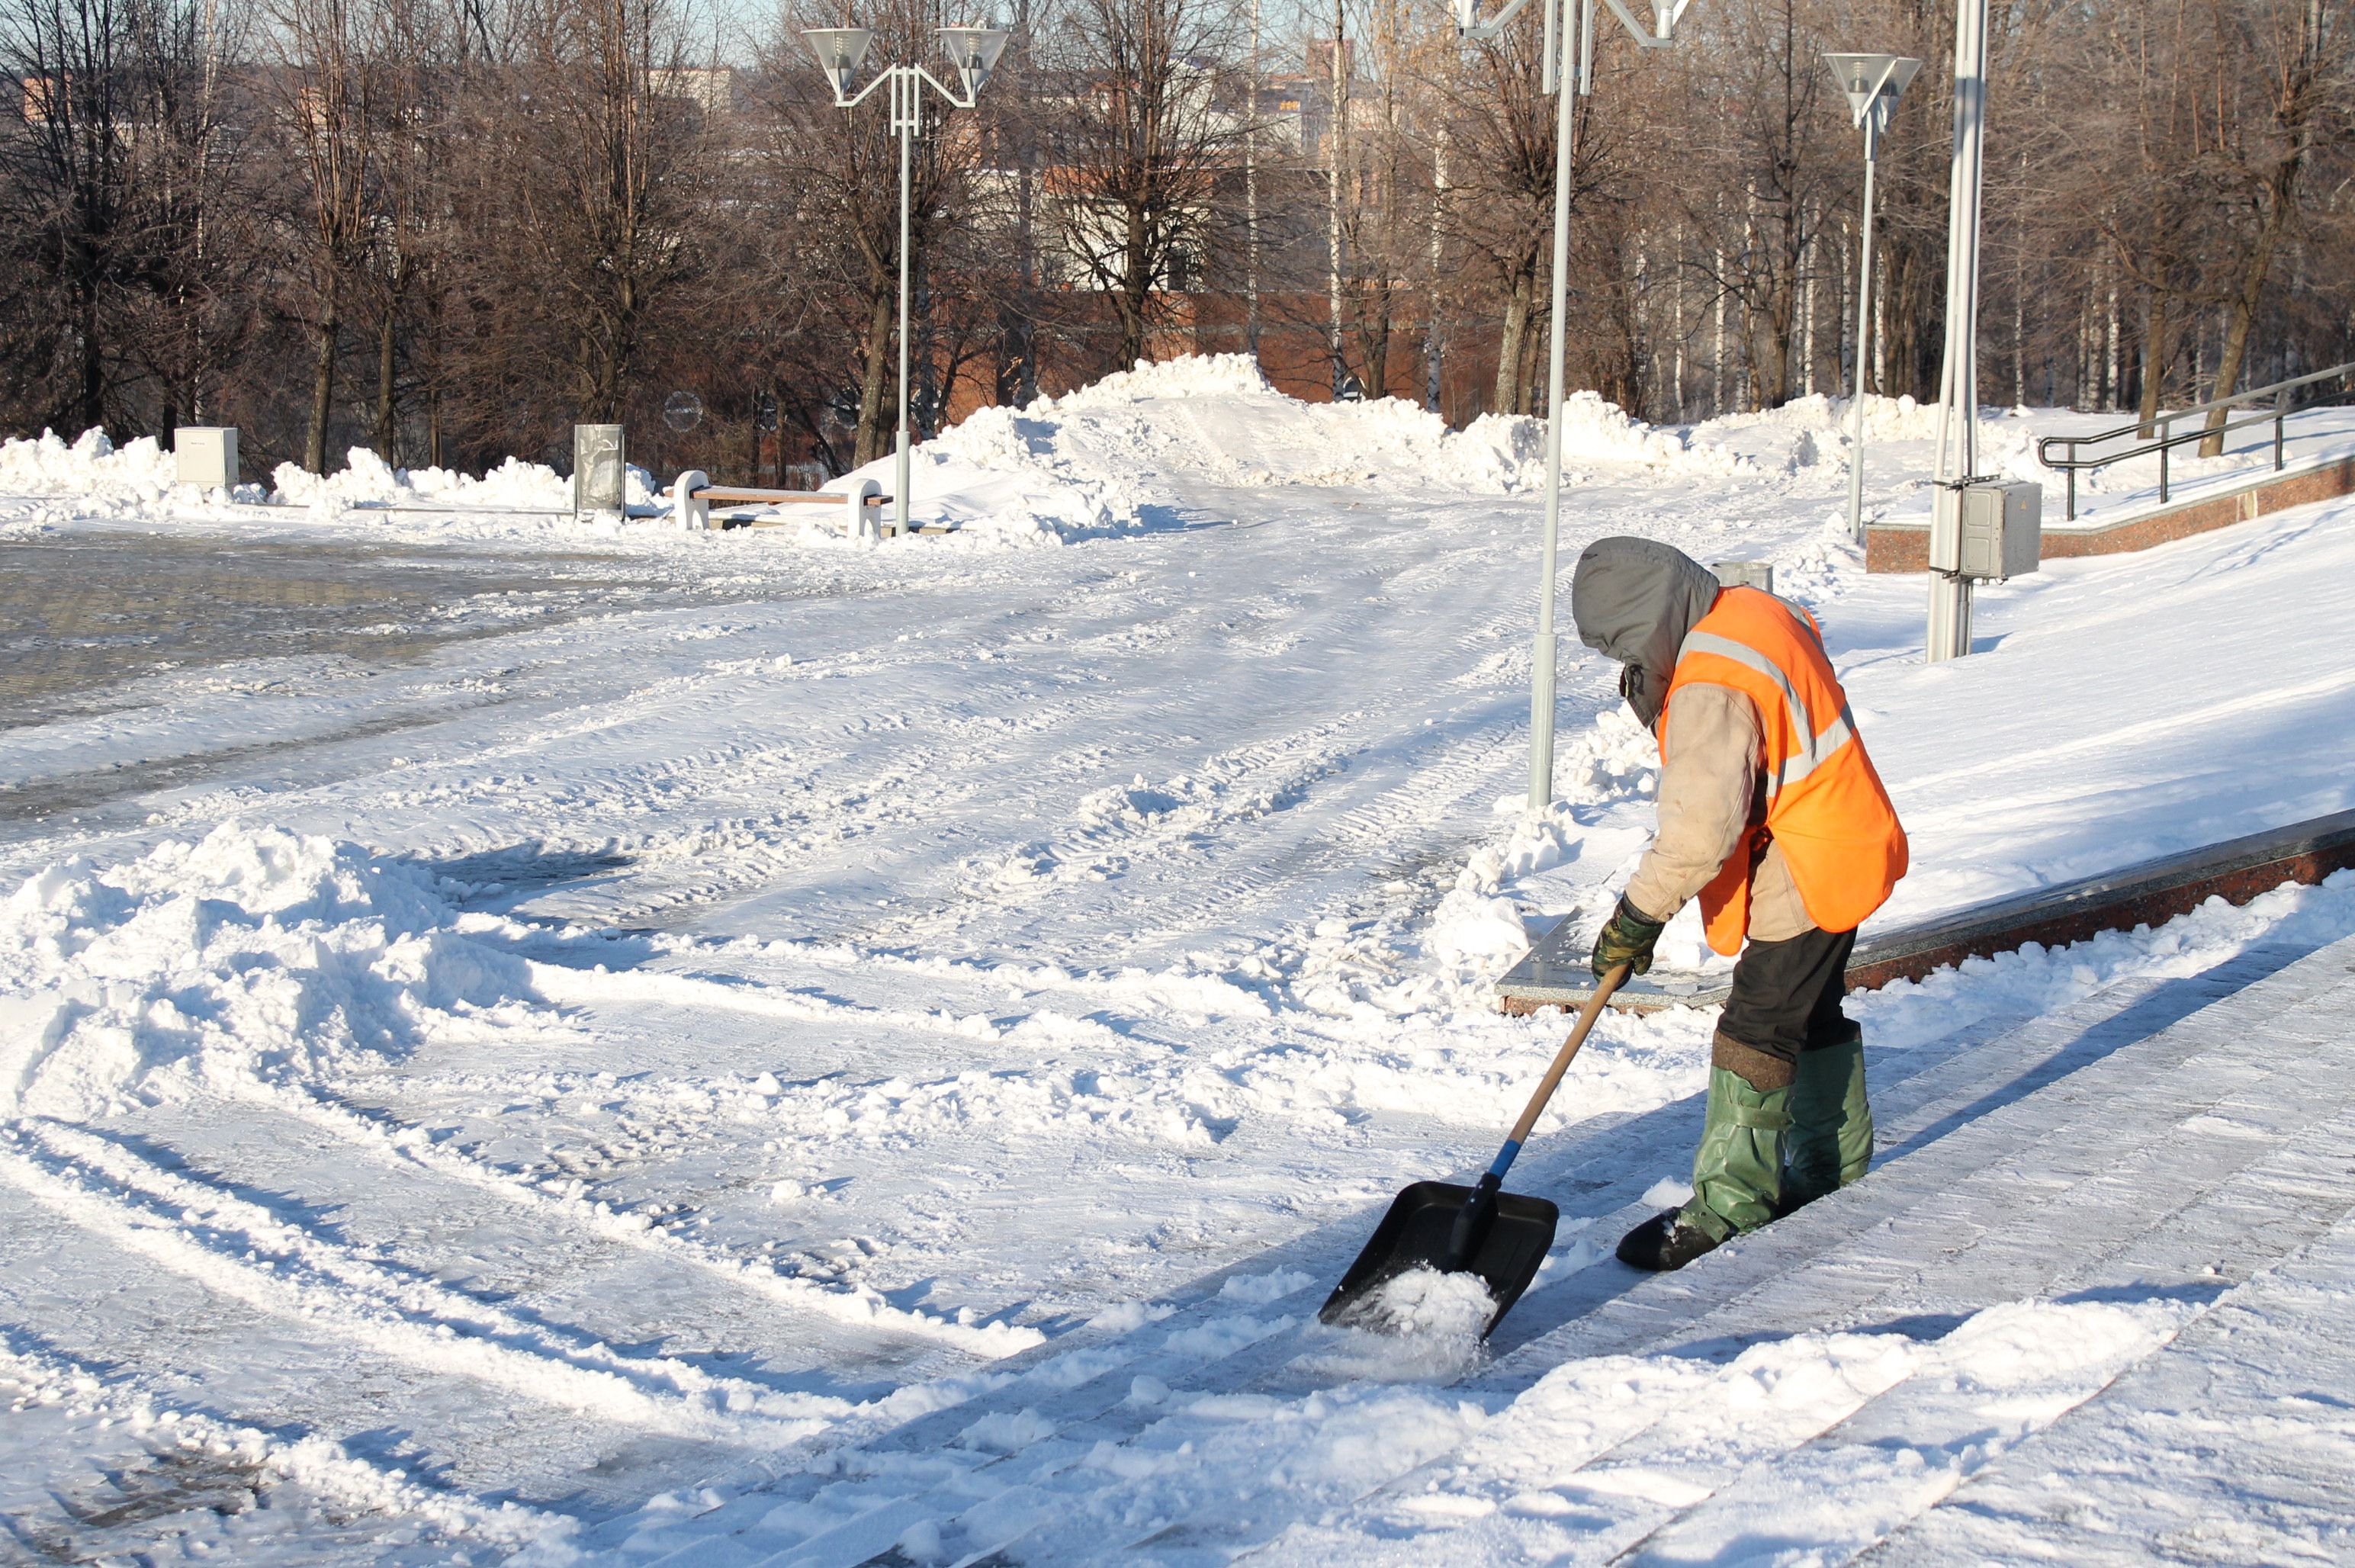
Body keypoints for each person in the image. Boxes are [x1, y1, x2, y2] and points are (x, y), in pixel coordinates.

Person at [1569, 536, 1908, 1271]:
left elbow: (1697, 834)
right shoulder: (1749, 612)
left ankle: (1731, 1205)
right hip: (1846, 836)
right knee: (1808, 1014)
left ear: (1645, 622)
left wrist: (1636, 919)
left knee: (1757, 1026)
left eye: (1626, 646)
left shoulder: (1709, 683)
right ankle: (1829, 1174)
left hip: (1811, 861)